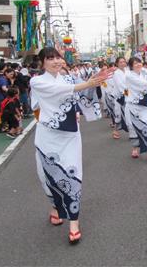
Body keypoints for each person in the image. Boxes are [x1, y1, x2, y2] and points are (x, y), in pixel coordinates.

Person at [30, 47, 110, 244]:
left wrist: (94, 82)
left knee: (73, 174)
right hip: (47, 135)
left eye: (58, 57)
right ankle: (55, 207)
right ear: (42, 63)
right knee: (47, 176)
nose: (56, 61)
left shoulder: (68, 79)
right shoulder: (37, 81)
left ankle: (74, 222)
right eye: (50, 59)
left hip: (70, 136)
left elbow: (83, 95)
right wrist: (86, 84)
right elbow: (58, 91)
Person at [125, 57, 147, 162]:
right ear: (131, 66)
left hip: (144, 106)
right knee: (134, 128)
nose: (138, 64)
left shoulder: (144, 72)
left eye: (139, 62)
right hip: (133, 105)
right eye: (135, 63)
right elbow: (140, 83)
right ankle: (135, 148)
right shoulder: (129, 75)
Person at [112, 57, 129, 139]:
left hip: (129, 95)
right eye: (121, 62)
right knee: (119, 114)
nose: (123, 63)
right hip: (120, 96)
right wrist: (127, 93)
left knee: (129, 114)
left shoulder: (128, 71)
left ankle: (133, 133)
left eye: (124, 62)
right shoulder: (116, 73)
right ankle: (116, 130)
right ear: (117, 63)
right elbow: (120, 86)